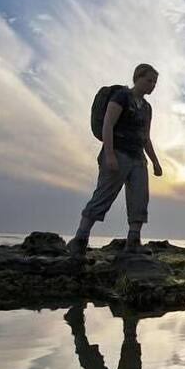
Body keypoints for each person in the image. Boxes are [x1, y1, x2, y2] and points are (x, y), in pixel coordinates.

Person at [68, 64, 164, 256]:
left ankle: (133, 241)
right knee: (104, 195)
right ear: (137, 78)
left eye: (155, 82)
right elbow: (108, 124)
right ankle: (80, 239)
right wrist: (110, 154)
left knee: (139, 199)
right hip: (118, 153)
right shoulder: (121, 97)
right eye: (149, 80)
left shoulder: (147, 108)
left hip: (138, 158)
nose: (152, 85)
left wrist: (155, 161)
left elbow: (146, 136)